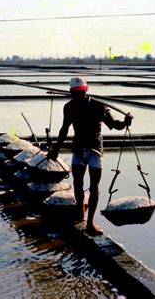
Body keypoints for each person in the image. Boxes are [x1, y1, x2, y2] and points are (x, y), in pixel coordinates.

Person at [47, 77, 133, 236]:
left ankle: (90, 223)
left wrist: (125, 122)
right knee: (78, 183)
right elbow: (64, 129)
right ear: (71, 92)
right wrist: (56, 149)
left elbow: (114, 125)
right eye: (75, 92)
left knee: (94, 187)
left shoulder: (98, 106)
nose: (78, 94)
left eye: (80, 92)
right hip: (78, 149)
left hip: (94, 150)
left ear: (86, 90)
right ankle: (80, 213)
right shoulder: (69, 107)